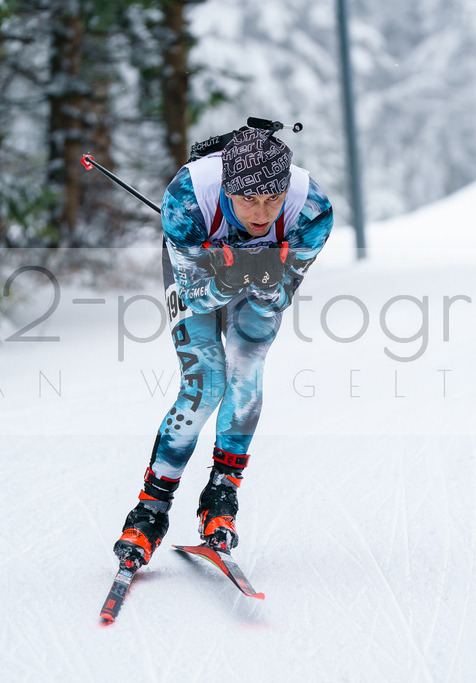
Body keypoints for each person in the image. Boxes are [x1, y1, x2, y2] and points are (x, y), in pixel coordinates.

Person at [113, 123, 333, 569]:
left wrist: (267, 280)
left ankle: (222, 494)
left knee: (247, 366)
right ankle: (151, 510)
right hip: (196, 268)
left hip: (253, 275)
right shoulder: (187, 200)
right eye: (248, 199)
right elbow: (194, 294)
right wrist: (230, 275)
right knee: (205, 382)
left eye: (272, 198)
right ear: (228, 189)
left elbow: (282, 293)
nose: (262, 213)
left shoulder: (311, 211)